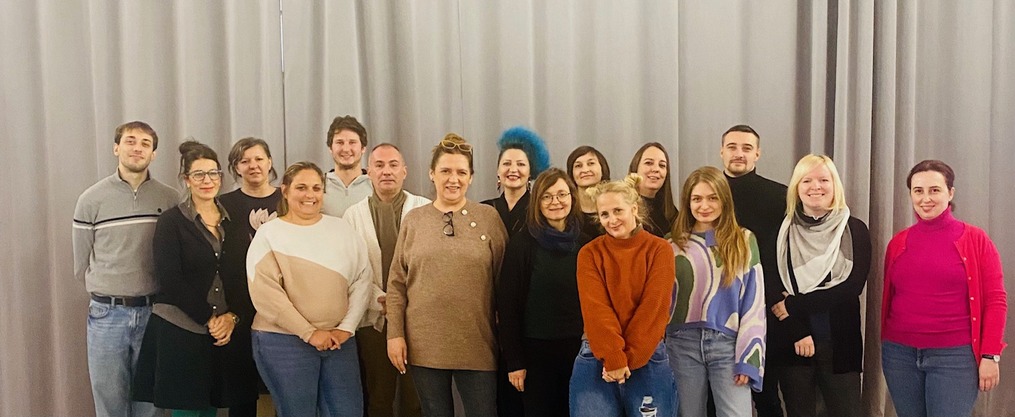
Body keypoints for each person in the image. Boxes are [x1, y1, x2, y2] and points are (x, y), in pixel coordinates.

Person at [386, 133, 508, 417]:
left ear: (471, 177)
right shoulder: (414, 220)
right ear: (432, 174)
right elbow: (396, 285)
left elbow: (505, 283)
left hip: (478, 342)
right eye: (445, 171)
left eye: (461, 172)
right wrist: (395, 335)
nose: (453, 179)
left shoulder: (488, 218)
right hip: (424, 344)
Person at [132, 140, 253, 416]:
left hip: (223, 330)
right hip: (181, 329)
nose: (207, 181)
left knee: (211, 406)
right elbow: (170, 279)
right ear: (186, 179)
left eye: (213, 173)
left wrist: (231, 318)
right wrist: (209, 318)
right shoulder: (172, 221)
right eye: (198, 174)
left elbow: (242, 275)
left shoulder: (234, 221)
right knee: (187, 410)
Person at [246, 161, 373, 417]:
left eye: (316, 188)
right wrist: (309, 333)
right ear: (285, 191)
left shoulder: (342, 229)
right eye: (301, 187)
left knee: (348, 412)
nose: (310, 195)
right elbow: (266, 294)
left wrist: (346, 328)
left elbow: (363, 279)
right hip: (283, 342)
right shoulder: (269, 233)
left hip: (339, 343)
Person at [881, 160, 1007, 417]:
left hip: (955, 358)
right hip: (899, 355)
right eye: (918, 191)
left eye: (934, 190)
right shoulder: (898, 243)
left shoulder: (976, 240)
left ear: (950, 193)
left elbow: (996, 300)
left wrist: (990, 354)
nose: (926, 198)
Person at [73, 121, 178, 417]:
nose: (137, 148)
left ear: (154, 154)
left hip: (154, 313)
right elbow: (81, 262)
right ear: (116, 148)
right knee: (109, 401)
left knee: (152, 403)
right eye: (130, 141)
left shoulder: (170, 199)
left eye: (145, 143)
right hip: (106, 315)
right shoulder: (91, 199)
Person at [768, 155, 870, 417]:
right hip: (793, 341)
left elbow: (852, 286)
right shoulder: (780, 231)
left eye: (824, 180)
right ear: (796, 187)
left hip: (841, 342)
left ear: (834, 185)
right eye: (807, 180)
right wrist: (798, 330)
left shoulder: (854, 229)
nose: (815, 186)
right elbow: (772, 287)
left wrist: (793, 304)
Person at [569, 174, 677, 417]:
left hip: (647, 354)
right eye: (604, 214)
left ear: (634, 209)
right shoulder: (589, 253)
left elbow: (654, 307)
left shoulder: (659, 249)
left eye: (618, 211)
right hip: (597, 353)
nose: (612, 220)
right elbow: (596, 309)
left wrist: (625, 360)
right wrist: (613, 358)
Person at [666, 166, 765, 417]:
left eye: (712, 198)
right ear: (687, 202)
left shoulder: (744, 240)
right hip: (681, 344)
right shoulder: (671, 244)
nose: (704, 206)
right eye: (697, 199)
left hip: (729, 346)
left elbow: (754, 303)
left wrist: (749, 358)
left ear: (724, 200)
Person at [344, 144, 430, 417]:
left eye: (393, 165)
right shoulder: (353, 215)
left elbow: (432, 266)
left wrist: (403, 301)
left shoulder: (424, 209)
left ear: (404, 171)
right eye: (379, 165)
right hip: (373, 319)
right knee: (379, 399)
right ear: (368, 172)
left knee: (415, 399)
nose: (386, 171)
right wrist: (381, 299)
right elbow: (350, 269)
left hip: (417, 319)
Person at [497, 168, 586, 417]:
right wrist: (515, 361)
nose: (555, 201)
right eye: (547, 196)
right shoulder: (522, 244)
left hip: (579, 352)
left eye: (561, 194)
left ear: (572, 197)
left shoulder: (586, 244)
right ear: (537, 202)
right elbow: (507, 306)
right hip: (535, 355)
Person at [719, 124, 787, 417]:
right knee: (715, 398)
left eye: (747, 148)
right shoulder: (707, 193)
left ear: (757, 154)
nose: (739, 153)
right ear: (721, 152)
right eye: (732, 147)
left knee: (767, 393)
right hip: (717, 309)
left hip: (765, 307)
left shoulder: (780, 195)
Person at [218, 137, 282, 417]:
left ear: (270, 162)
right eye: (244, 161)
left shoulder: (288, 198)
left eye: (259, 159)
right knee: (241, 389)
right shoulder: (223, 204)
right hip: (238, 306)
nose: (253, 165)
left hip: (283, 304)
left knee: (283, 386)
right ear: (236, 168)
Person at [481, 126, 551, 235]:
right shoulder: (483, 209)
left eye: (521, 164)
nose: (513, 169)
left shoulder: (541, 209)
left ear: (530, 171)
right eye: (507, 163)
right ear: (498, 170)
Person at [322, 115, 373, 217]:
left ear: (363, 148)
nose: (346, 149)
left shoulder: (376, 186)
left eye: (352, 142)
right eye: (339, 142)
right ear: (330, 148)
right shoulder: (318, 185)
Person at [628, 142, 677, 237]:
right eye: (649, 163)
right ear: (635, 168)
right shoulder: (623, 205)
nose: (656, 169)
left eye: (662, 165)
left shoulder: (670, 211)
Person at [566, 145, 611, 241]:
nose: (585, 170)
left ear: (602, 168)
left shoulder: (615, 205)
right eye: (578, 166)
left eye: (591, 163)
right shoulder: (565, 209)